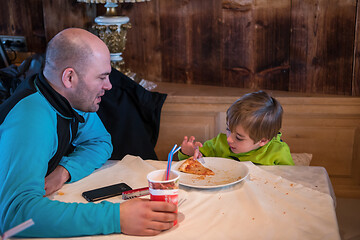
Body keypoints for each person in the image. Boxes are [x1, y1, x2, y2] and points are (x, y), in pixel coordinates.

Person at [0, 28, 177, 238]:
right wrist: (116, 217)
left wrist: (65, 170)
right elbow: (15, 216)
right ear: (69, 77)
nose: (109, 86)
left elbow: (100, 142)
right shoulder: (31, 119)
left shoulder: (68, 100)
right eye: (101, 77)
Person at [179, 90, 294, 165]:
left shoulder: (279, 152)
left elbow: (290, 178)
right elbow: (195, 163)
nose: (228, 139)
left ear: (262, 140)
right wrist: (188, 153)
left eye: (239, 137)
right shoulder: (218, 143)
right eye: (229, 130)